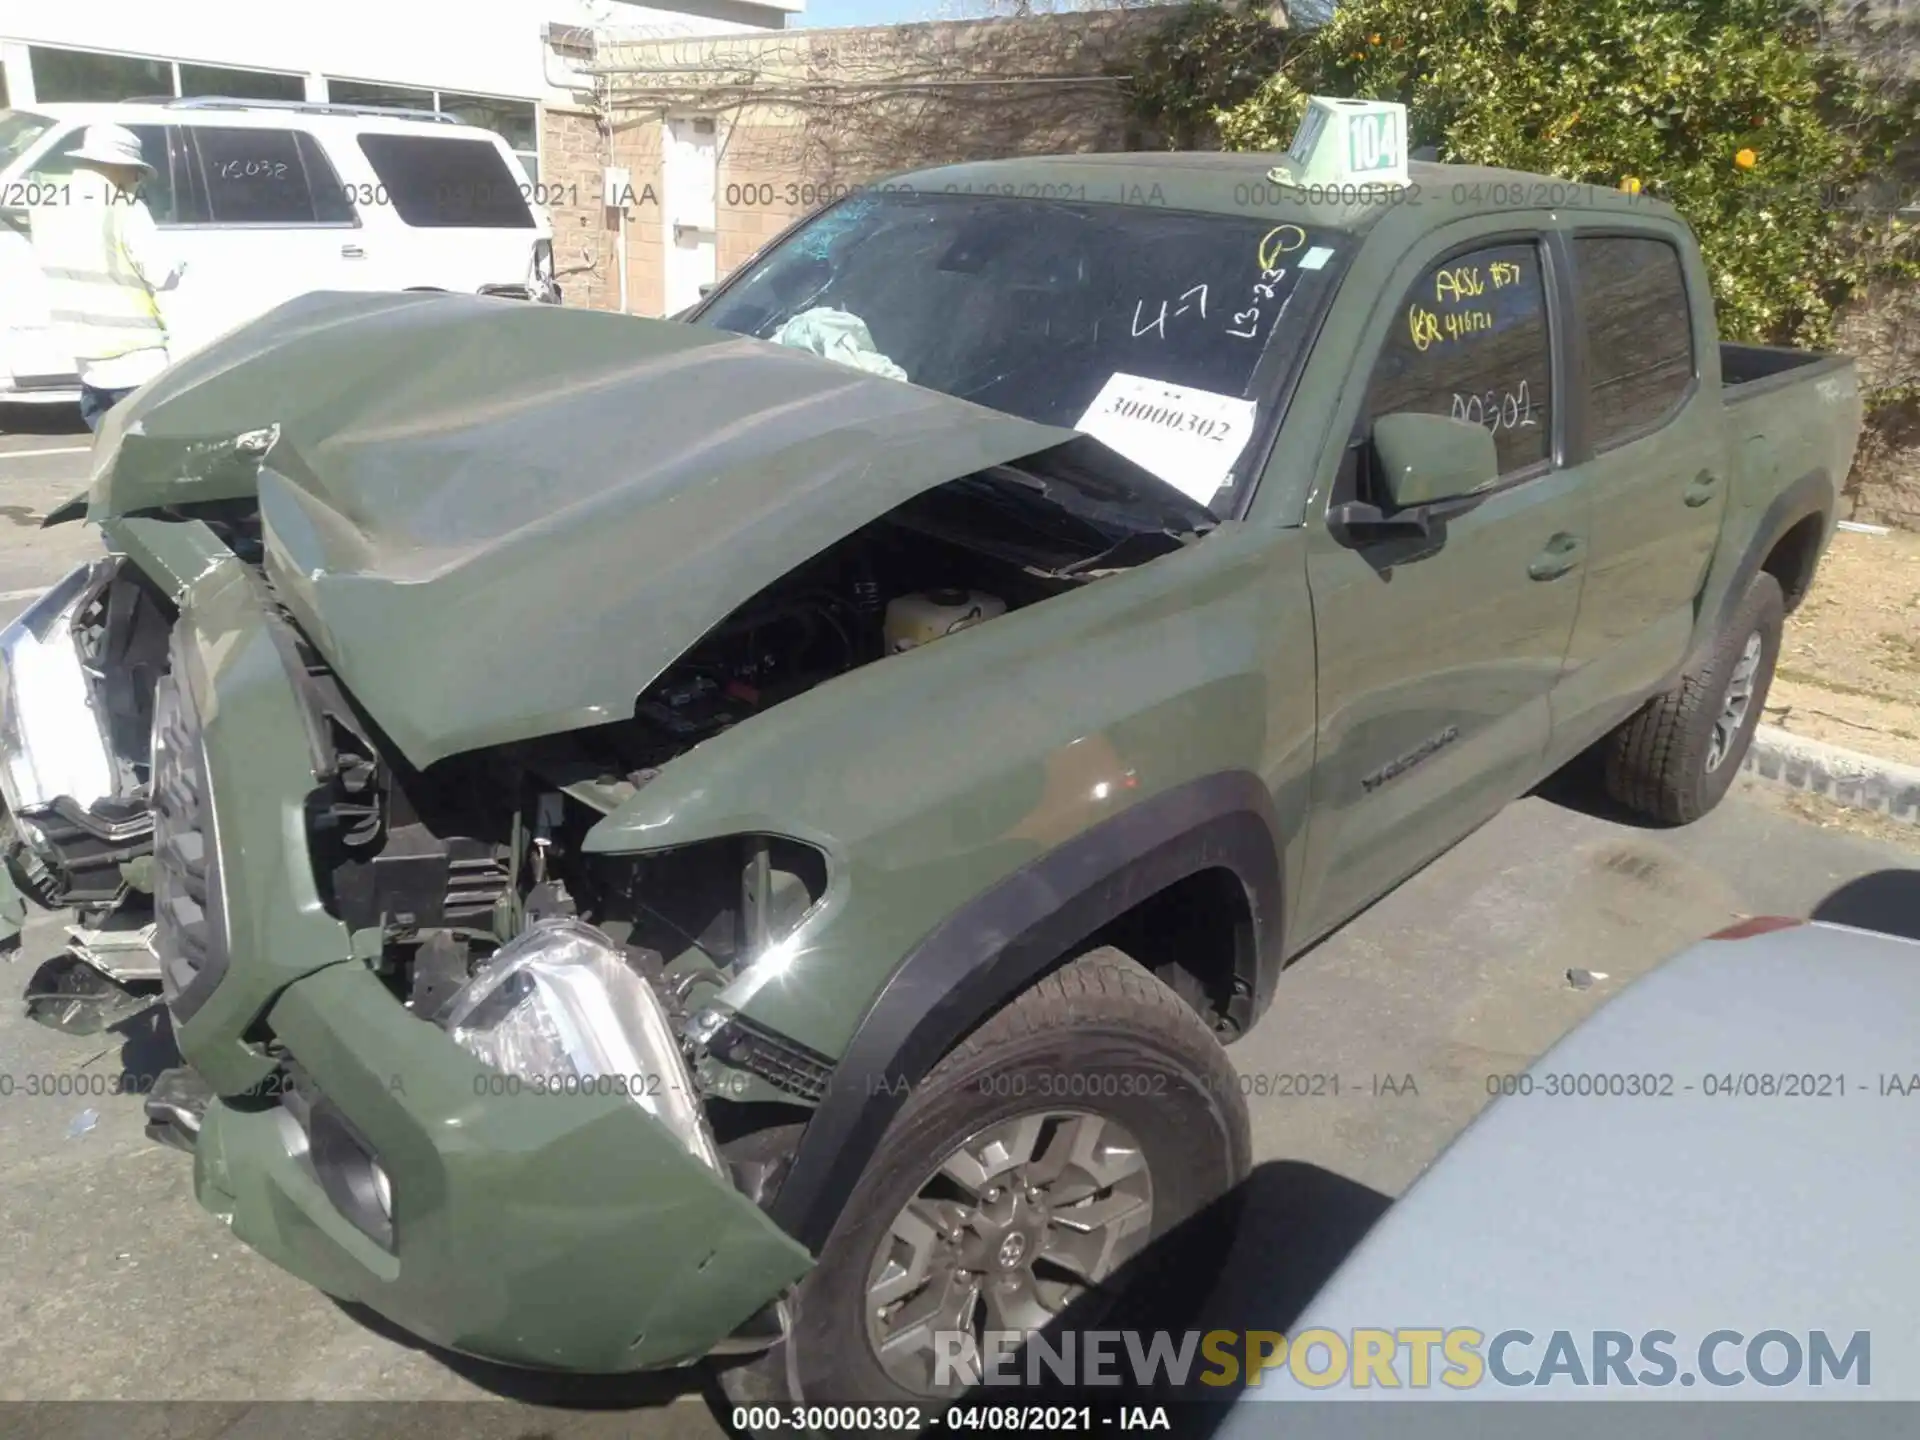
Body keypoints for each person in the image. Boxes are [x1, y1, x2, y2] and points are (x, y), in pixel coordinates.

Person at [28, 124, 185, 432]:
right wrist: (180, 266)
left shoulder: (48, 204)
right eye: (135, 172)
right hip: (134, 357)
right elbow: (162, 274)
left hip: (84, 353)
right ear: (117, 166)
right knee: (148, 449)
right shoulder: (124, 207)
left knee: (107, 444)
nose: (136, 180)